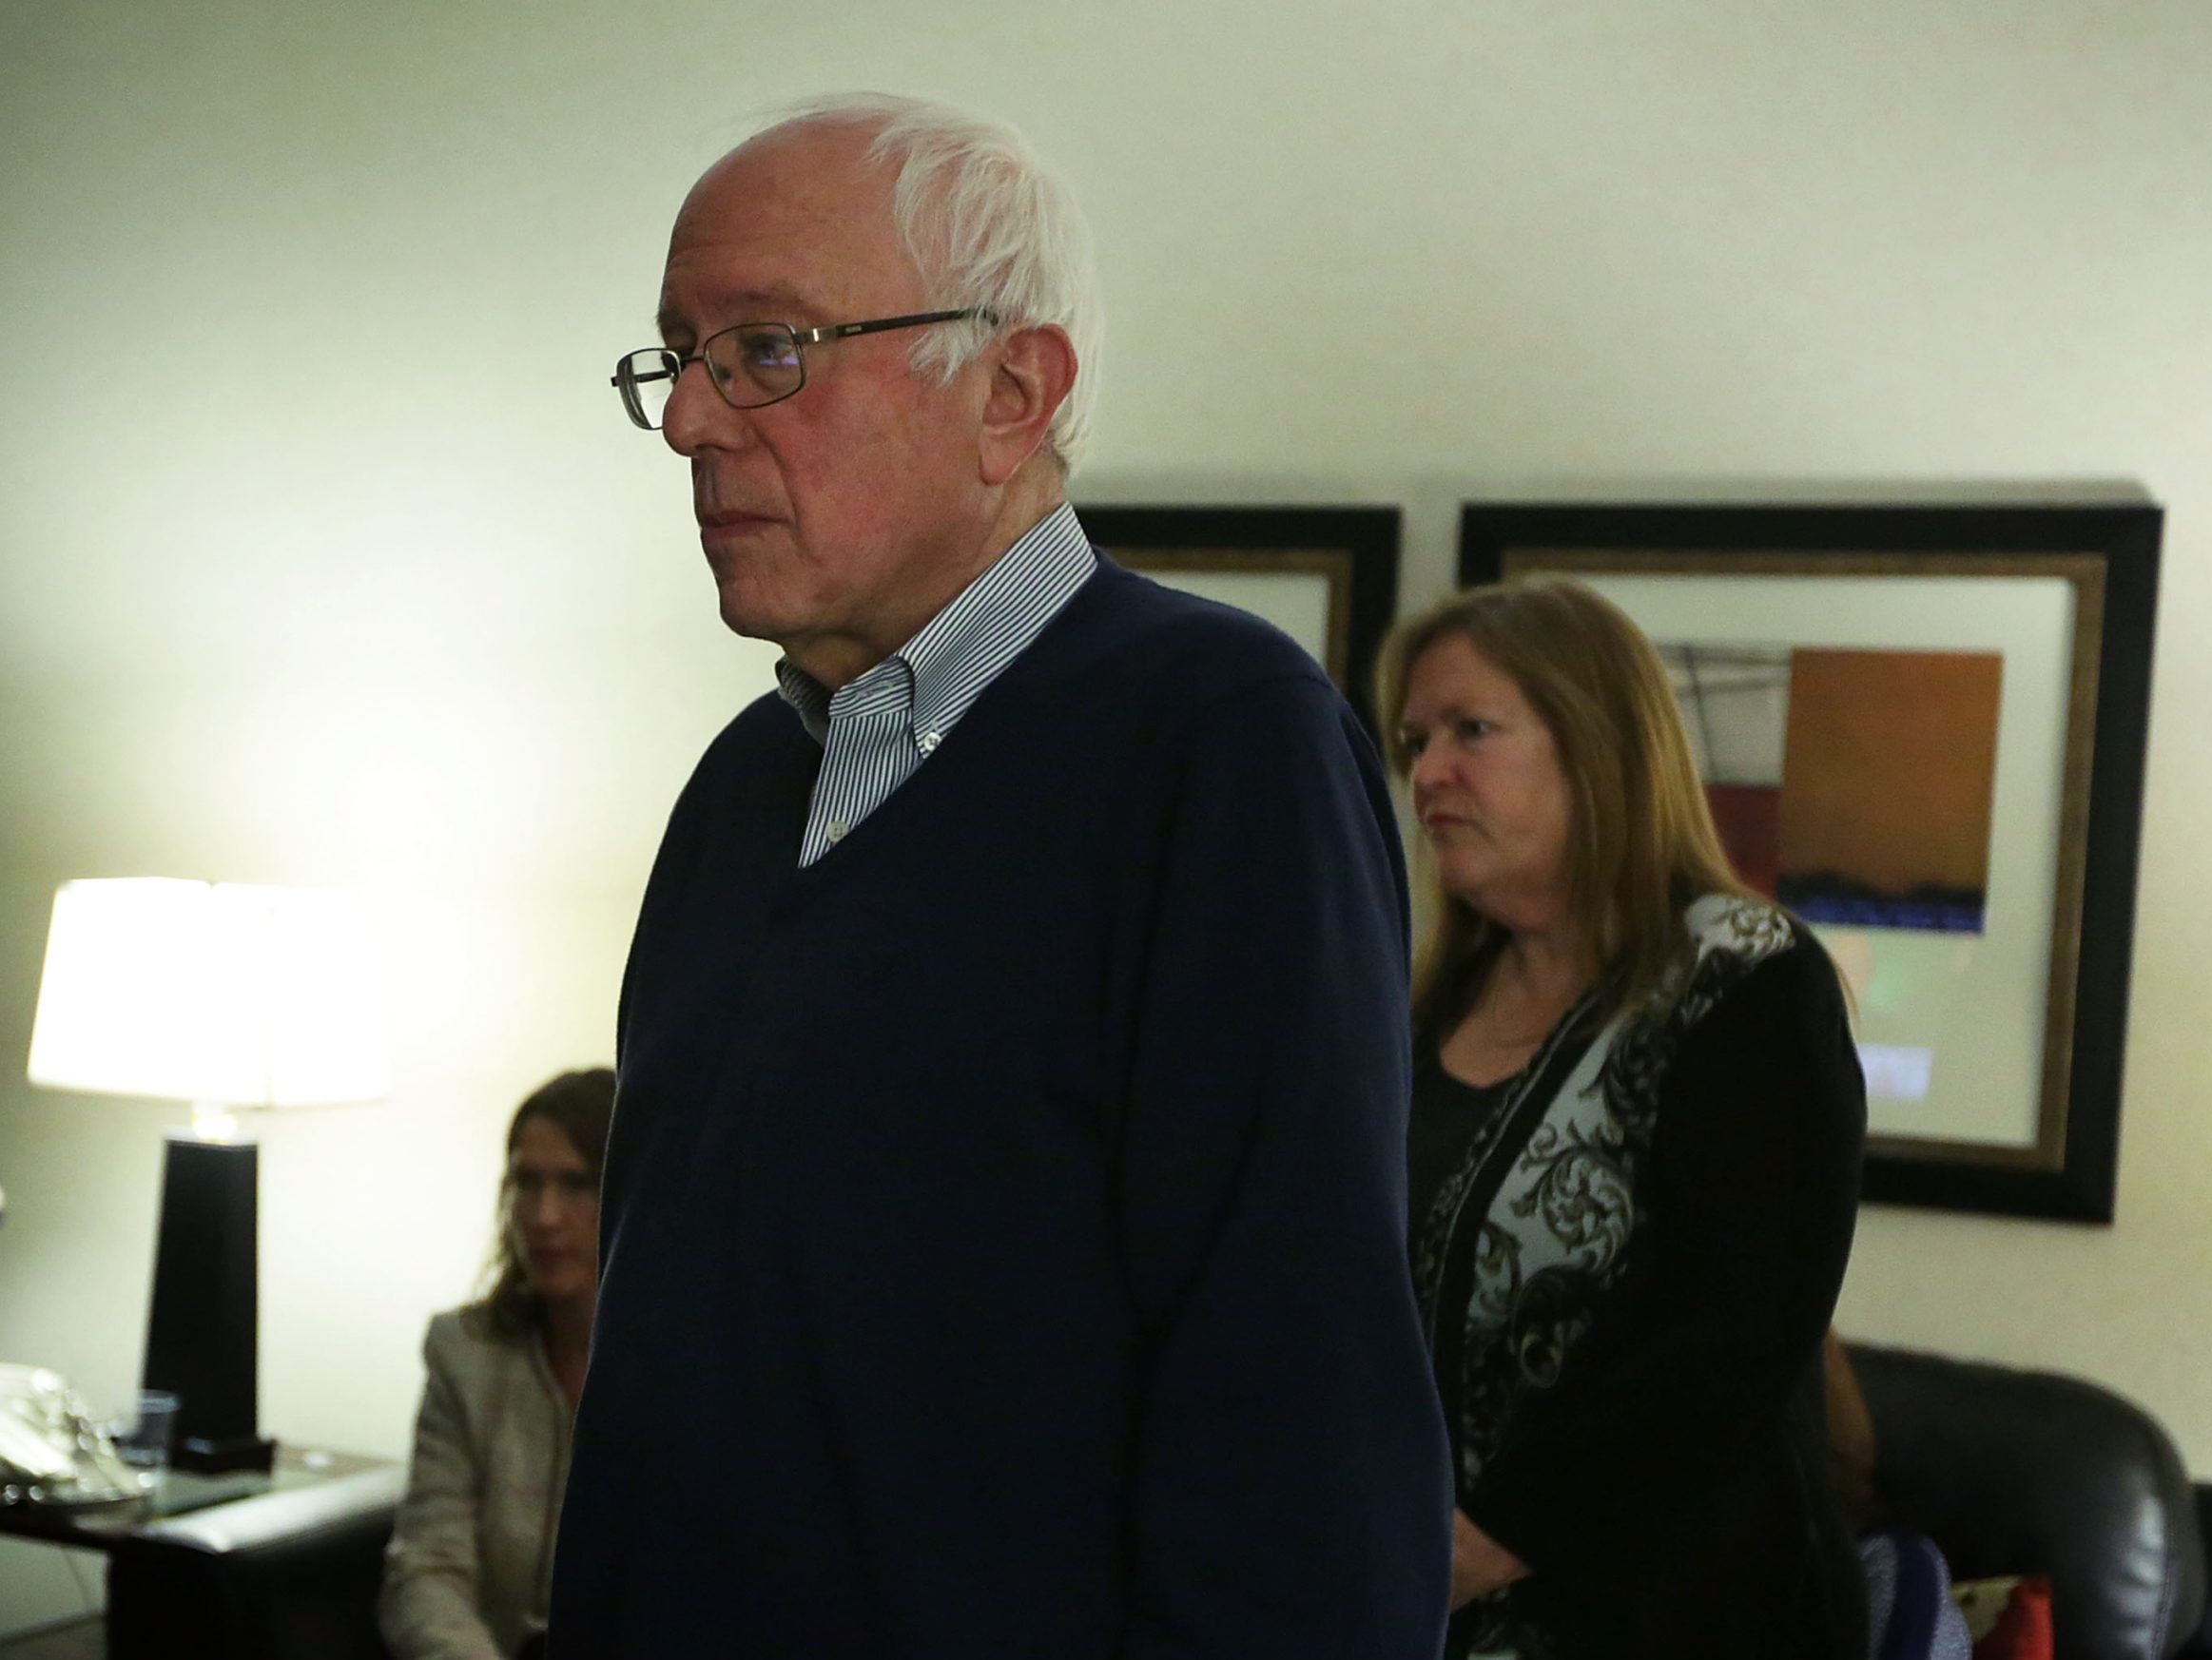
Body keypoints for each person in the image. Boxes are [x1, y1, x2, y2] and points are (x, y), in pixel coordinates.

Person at [551, 93, 1450, 1655]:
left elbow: (1301, 1435)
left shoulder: (1220, 744)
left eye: (768, 349)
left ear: (1012, 393)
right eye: (678, 358)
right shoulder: (743, 785)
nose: (691, 420)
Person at [1383, 577, 1870, 1658]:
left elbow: (1733, 1324)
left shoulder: (1742, 977)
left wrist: (1492, 1539)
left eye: (1472, 731)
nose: (1428, 773)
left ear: (1597, 745)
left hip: (1670, 1609)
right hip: (1412, 1595)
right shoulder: (1425, 1009)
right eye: (1416, 742)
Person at [378, 1068, 612, 1660]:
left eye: (577, 1184)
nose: (544, 1216)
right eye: (527, 1183)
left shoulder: (688, 1373)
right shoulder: (466, 1353)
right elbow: (427, 1569)